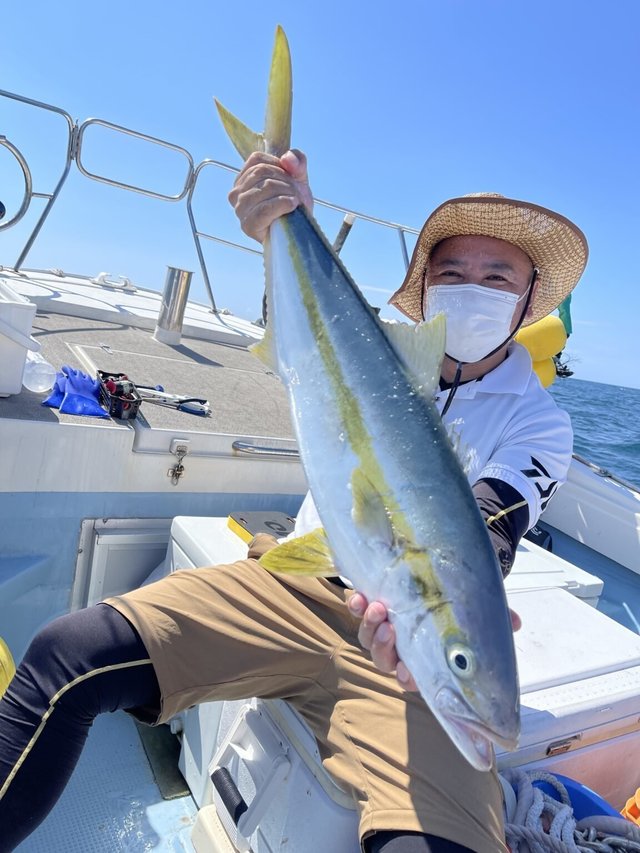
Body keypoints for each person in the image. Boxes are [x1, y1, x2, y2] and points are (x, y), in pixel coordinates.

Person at [0, 149, 587, 853]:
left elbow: (490, 525)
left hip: (408, 656)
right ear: (425, 290)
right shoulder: (382, 353)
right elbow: (301, 341)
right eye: (452, 272)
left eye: (498, 277)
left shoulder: (540, 424)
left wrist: (439, 616)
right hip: (300, 582)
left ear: (529, 300)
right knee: (69, 652)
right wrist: (284, 222)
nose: (473, 289)